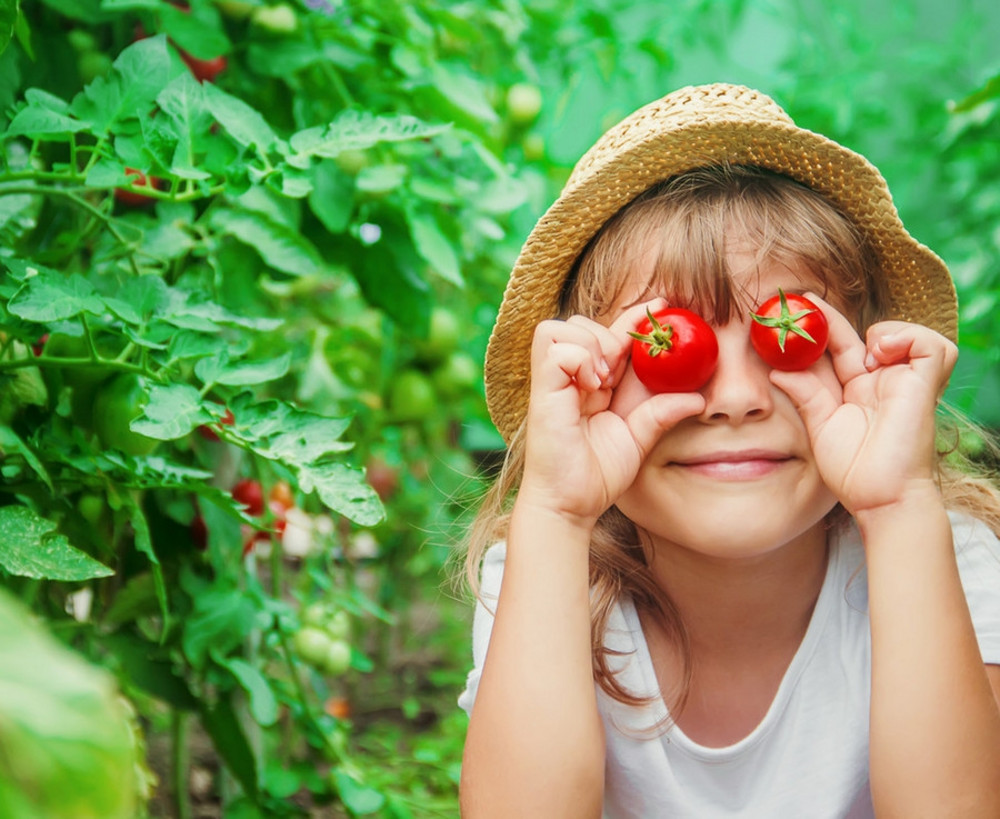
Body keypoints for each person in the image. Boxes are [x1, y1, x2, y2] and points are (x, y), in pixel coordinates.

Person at [456, 83, 1000, 818]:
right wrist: (552, 511)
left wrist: (898, 504)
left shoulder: (946, 556)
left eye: (791, 336)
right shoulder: (550, 570)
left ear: (863, 362)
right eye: (669, 346)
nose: (736, 397)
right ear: (587, 385)